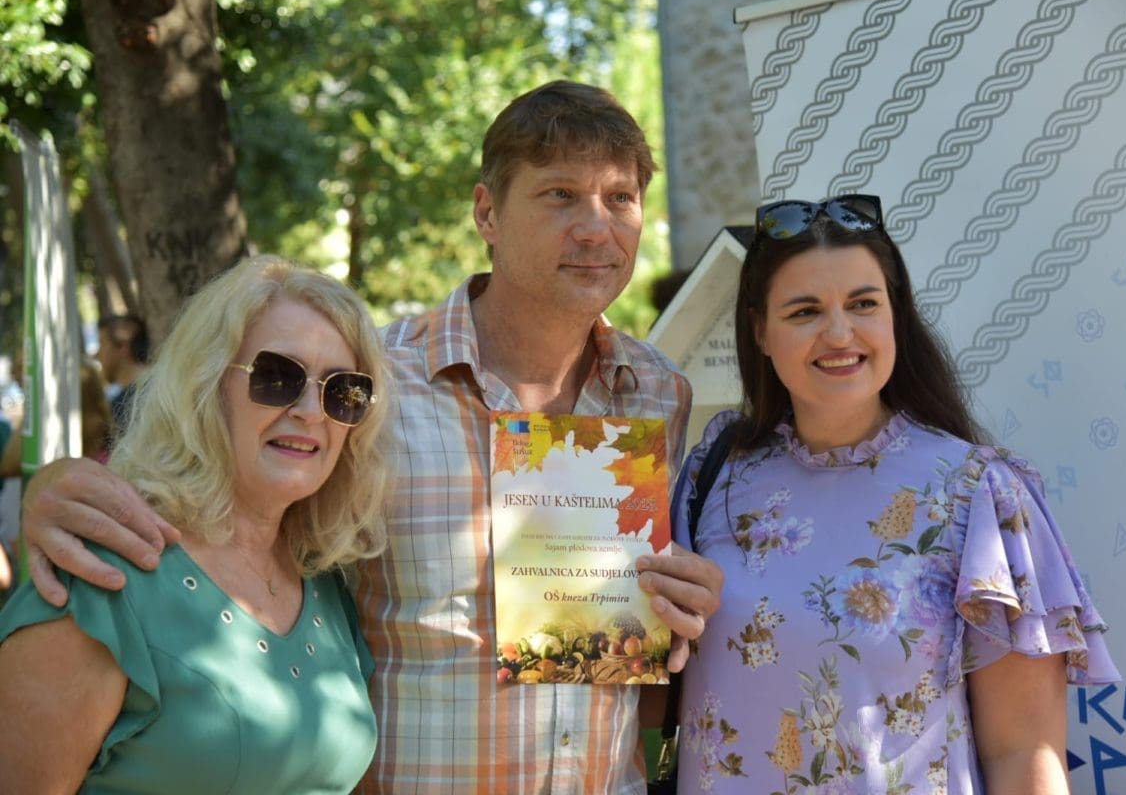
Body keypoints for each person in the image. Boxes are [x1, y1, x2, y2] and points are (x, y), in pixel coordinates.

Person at [18, 81, 723, 793]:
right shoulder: (359, 384)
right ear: (487, 212)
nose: (595, 228)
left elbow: (628, 674)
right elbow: (219, 501)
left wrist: (683, 618)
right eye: (560, 195)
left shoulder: (658, 393)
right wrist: (52, 490)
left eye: (620, 198)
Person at [668, 195, 1119, 794]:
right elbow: (645, 687)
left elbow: (1023, 753)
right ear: (760, 332)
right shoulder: (712, 474)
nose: (839, 333)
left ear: (895, 317)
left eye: (863, 304)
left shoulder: (978, 494)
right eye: (804, 311)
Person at [0, 255, 390, 792]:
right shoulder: (99, 577)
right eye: (277, 377)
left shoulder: (323, 580)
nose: (310, 410)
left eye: (342, 390)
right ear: (206, 385)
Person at [96, 313, 150, 440]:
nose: (97, 353)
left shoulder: (128, 403)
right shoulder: (160, 385)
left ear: (123, 346)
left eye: (102, 343)